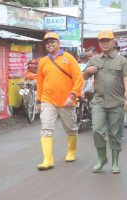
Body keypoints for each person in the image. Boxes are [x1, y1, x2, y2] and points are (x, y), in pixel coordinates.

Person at [83, 30, 127, 174]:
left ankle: (115, 162)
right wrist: (88, 71)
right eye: (102, 41)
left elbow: (126, 80)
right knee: (97, 130)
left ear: (113, 42)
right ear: (99, 43)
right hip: (99, 101)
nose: (104, 43)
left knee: (114, 133)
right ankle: (102, 158)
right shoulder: (94, 59)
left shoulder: (121, 60)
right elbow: (84, 76)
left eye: (107, 40)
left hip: (117, 102)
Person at [36, 32, 83, 170]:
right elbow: (40, 82)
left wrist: (73, 96)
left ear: (59, 43)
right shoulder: (43, 61)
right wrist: (38, 101)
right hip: (47, 99)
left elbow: (78, 78)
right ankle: (47, 160)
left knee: (70, 128)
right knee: (46, 129)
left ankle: (71, 151)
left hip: (66, 101)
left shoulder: (69, 58)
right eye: (47, 42)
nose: (50, 44)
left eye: (53, 41)